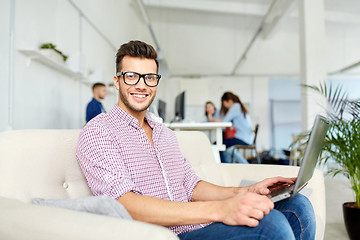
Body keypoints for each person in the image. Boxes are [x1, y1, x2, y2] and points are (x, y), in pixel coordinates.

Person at [76, 40, 315, 240]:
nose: (141, 85)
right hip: (163, 234)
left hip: (199, 227)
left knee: (298, 207)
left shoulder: (164, 134)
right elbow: (124, 205)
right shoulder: (99, 131)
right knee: (271, 225)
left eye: (149, 77)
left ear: (156, 83)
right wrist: (221, 210)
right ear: (117, 81)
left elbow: (192, 186)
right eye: (131, 76)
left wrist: (247, 191)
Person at [208, 92, 253, 163]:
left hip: (242, 138)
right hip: (245, 138)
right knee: (223, 146)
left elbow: (224, 122)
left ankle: (222, 166)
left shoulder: (235, 107)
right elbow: (226, 123)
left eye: (224, 103)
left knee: (217, 144)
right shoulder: (238, 106)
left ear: (229, 101)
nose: (224, 106)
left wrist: (212, 119)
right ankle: (227, 164)